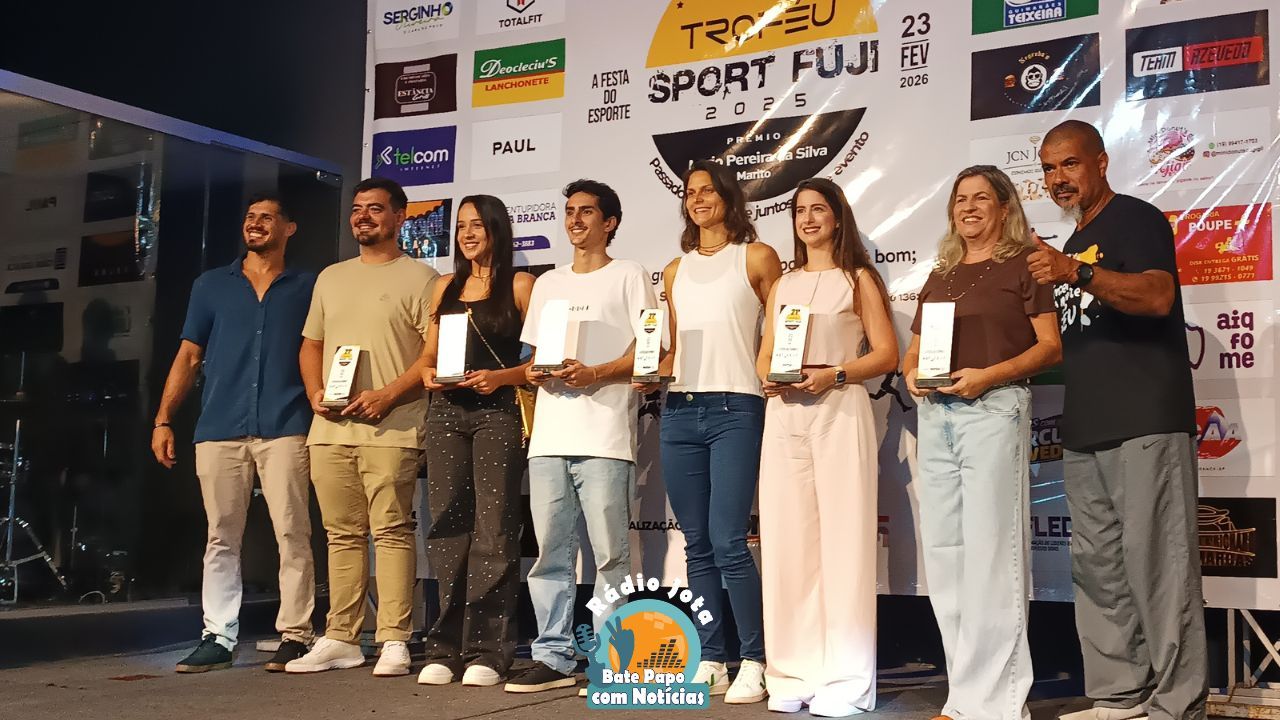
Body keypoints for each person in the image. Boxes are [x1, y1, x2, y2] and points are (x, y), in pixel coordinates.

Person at [1027, 120, 1206, 720]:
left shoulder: (1135, 218)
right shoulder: (1073, 239)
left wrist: (1075, 272)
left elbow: (1157, 296)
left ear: (1100, 162)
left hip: (1146, 420)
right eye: (1048, 168)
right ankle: (1120, 695)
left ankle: (1178, 706)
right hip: (1086, 426)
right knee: (1098, 571)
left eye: (1069, 163)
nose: (1058, 178)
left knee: (1161, 568)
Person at [903, 165, 1061, 720]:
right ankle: (964, 695)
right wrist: (911, 374)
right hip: (937, 415)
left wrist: (988, 376)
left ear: (1004, 207)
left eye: (981, 198)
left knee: (994, 555)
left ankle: (997, 702)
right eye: (960, 199)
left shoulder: (1025, 264)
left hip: (993, 410)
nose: (968, 207)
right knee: (946, 557)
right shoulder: (941, 274)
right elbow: (913, 351)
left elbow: (1050, 348)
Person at [152, 193, 317, 674]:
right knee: (221, 536)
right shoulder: (210, 285)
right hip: (220, 426)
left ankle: (295, 634)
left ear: (289, 228)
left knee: (293, 531)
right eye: (250, 216)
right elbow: (188, 356)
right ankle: (218, 635)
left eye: (267, 217)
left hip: (286, 424)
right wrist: (163, 419)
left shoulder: (309, 286)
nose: (255, 223)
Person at [503, 179, 656, 694]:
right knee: (550, 554)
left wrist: (596, 373)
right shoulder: (548, 282)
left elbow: (650, 349)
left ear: (609, 222)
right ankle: (552, 654)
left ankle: (614, 656)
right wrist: (534, 372)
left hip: (605, 437)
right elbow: (532, 360)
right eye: (569, 211)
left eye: (587, 211)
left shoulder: (629, 274)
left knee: (611, 555)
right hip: (549, 438)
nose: (575, 220)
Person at [755, 179, 898, 716]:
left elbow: (885, 354)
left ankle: (847, 679)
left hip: (839, 410)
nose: (808, 219)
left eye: (818, 209)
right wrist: (770, 377)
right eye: (799, 211)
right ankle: (792, 671)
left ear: (838, 217)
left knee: (844, 543)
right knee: (788, 544)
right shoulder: (783, 284)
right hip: (784, 415)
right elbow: (766, 353)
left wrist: (835, 373)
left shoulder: (857, 279)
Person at [286, 178, 440, 676]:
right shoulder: (331, 277)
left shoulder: (423, 278)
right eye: (357, 209)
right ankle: (341, 637)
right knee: (340, 534)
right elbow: (311, 344)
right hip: (330, 428)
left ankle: (394, 637)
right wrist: (315, 393)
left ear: (399, 217)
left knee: (392, 531)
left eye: (375, 209)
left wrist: (388, 395)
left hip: (392, 427)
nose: (363, 217)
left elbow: (433, 355)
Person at [644, 159, 781, 704]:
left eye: (707, 191)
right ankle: (712, 657)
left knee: (728, 540)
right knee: (697, 543)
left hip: (736, 407)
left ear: (728, 197)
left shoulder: (757, 257)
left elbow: (782, 326)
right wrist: (650, 369)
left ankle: (755, 659)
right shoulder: (674, 270)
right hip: (679, 409)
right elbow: (672, 346)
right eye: (690, 192)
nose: (697, 199)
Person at [418, 195, 535, 687]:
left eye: (477, 226)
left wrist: (500, 377)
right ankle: (444, 647)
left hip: (498, 413)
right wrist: (428, 375)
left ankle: (488, 650)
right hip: (446, 413)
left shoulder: (520, 285)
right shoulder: (444, 286)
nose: (467, 234)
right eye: (461, 226)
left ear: (496, 230)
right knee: (447, 524)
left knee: (494, 527)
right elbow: (427, 355)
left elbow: (542, 362)